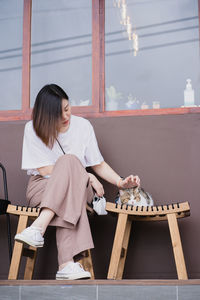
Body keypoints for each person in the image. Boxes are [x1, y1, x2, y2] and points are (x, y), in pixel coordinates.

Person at [15, 84, 140, 280]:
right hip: (42, 188)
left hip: (80, 190)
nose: (66, 117)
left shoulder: (83, 126)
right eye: (59, 114)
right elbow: (44, 170)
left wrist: (120, 182)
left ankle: (38, 227)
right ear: (46, 116)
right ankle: (66, 264)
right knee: (70, 166)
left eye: (67, 108)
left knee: (71, 167)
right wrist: (85, 175)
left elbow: (98, 164)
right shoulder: (32, 129)